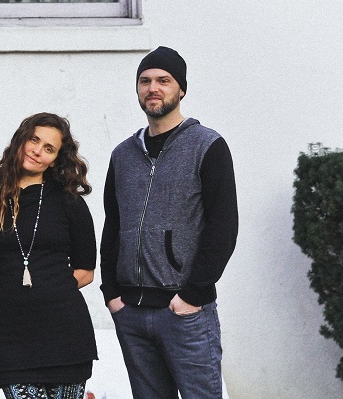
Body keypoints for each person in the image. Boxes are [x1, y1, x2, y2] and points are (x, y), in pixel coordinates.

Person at [101, 46, 239, 399]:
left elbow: (223, 226)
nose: (153, 88)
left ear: (181, 90)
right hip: (131, 311)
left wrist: (192, 294)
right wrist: (112, 293)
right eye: (145, 81)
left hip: (185, 312)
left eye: (164, 80)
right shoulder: (123, 154)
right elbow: (113, 224)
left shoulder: (207, 145)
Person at [0, 113, 97, 399]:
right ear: (20, 141)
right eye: (34, 140)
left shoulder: (69, 203)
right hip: (9, 336)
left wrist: (51, 291)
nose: (38, 151)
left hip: (65, 332)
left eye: (49, 148)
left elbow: (86, 270)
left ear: (56, 159)